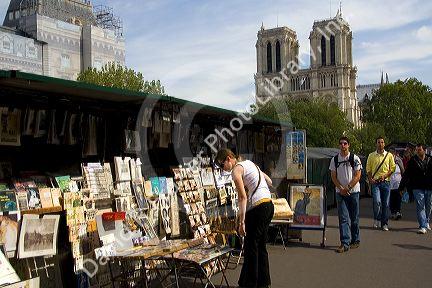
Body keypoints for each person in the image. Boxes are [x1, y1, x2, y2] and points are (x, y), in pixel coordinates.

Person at [215, 149, 274, 288]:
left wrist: (241, 222)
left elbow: (242, 197)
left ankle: (250, 283)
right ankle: (263, 282)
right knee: (260, 246)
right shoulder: (250, 164)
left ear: (229, 159)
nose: (223, 169)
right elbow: (269, 181)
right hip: (268, 205)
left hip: (258, 208)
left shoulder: (236, 170)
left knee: (251, 247)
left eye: (222, 165)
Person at [329, 136, 362, 253]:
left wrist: (348, 187)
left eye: (345, 143)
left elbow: (357, 175)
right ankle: (344, 243)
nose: (343, 146)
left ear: (349, 145)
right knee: (343, 218)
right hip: (340, 193)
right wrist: (341, 188)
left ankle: (355, 240)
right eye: (341, 144)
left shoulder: (355, 158)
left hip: (353, 192)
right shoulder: (335, 160)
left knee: (354, 218)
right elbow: (333, 176)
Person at [398, 144, 432, 234]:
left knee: (429, 205)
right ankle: (423, 226)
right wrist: (401, 187)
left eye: (419, 150)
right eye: (416, 150)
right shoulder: (413, 161)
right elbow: (406, 174)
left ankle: (426, 221)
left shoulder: (430, 159)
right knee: (421, 206)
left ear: (424, 150)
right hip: (417, 187)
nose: (417, 152)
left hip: (429, 186)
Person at [366, 137, 396, 231]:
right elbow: (368, 169)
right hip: (375, 183)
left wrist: (386, 175)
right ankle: (377, 218)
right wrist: (370, 179)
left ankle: (384, 223)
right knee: (377, 202)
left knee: (385, 204)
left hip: (386, 182)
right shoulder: (371, 155)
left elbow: (393, 168)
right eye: (378, 142)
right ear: (376, 144)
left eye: (382, 142)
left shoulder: (389, 155)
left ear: (384, 144)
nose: (380, 144)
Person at [389, 148, 404, 220]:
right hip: (390, 182)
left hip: (398, 182)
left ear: (394, 154)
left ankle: (398, 211)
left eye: (392, 154)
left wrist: (403, 182)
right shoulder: (387, 160)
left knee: (398, 198)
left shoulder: (399, 160)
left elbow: (402, 170)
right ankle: (392, 212)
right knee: (391, 199)